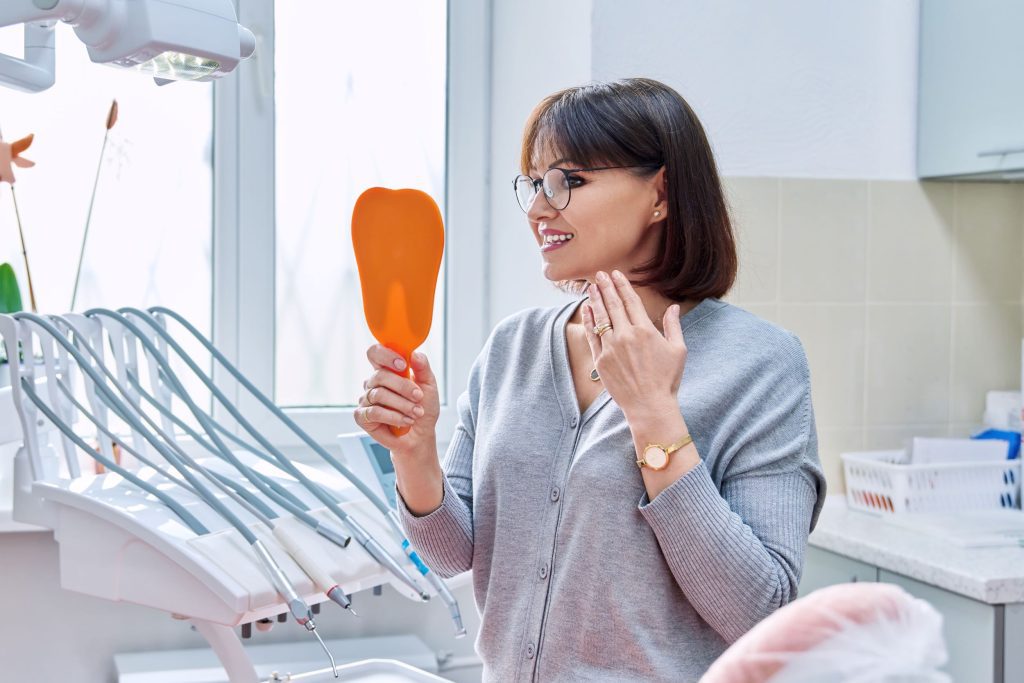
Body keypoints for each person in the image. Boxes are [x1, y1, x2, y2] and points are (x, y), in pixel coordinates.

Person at [355, 77, 826, 682]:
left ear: (660, 194)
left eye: (568, 181)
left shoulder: (761, 365)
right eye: (533, 183)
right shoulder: (513, 347)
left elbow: (761, 613)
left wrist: (653, 414)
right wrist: (415, 456)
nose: (538, 208)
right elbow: (454, 554)